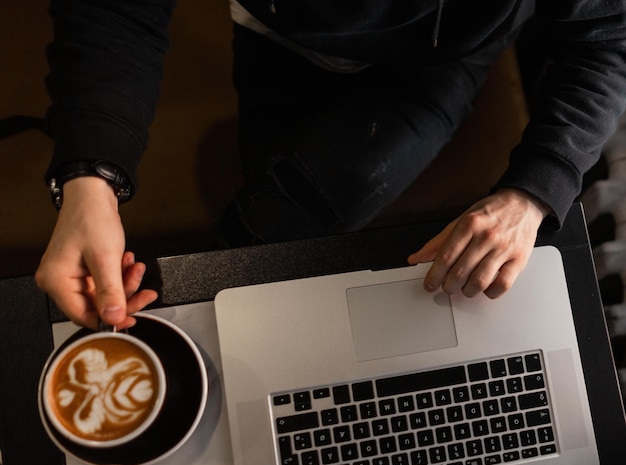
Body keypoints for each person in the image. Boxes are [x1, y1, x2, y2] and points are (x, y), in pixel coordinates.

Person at [35, 1, 626, 330]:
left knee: (286, 229)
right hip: (280, 31)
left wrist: (535, 191)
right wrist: (91, 181)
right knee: (257, 254)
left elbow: (607, 37)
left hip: (440, 62)